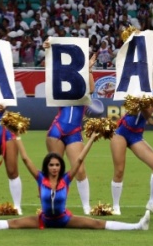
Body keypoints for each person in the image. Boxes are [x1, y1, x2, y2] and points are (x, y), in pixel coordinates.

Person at [0, 133, 150, 231]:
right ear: (47, 166)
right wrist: (16, 136)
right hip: (44, 220)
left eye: (57, 165)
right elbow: (25, 159)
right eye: (51, 165)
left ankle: (136, 226)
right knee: (14, 223)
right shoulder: (40, 178)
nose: (54, 168)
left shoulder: (66, 179)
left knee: (97, 224)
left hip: (64, 220)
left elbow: (80, 160)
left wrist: (91, 138)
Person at [44, 39, 97, 215]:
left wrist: (88, 68)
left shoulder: (84, 79)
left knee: (80, 169)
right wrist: (48, 49)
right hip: (57, 129)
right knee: (54, 170)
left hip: (74, 131)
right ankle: (53, 206)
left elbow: (91, 88)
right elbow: (52, 73)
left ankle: (86, 207)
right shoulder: (63, 79)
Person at [110, 90, 153, 215]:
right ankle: (116, 206)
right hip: (121, 132)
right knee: (119, 170)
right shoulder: (133, 89)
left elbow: (148, 114)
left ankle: (152, 202)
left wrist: (141, 102)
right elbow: (130, 108)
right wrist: (135, 98)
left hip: (136, 135)